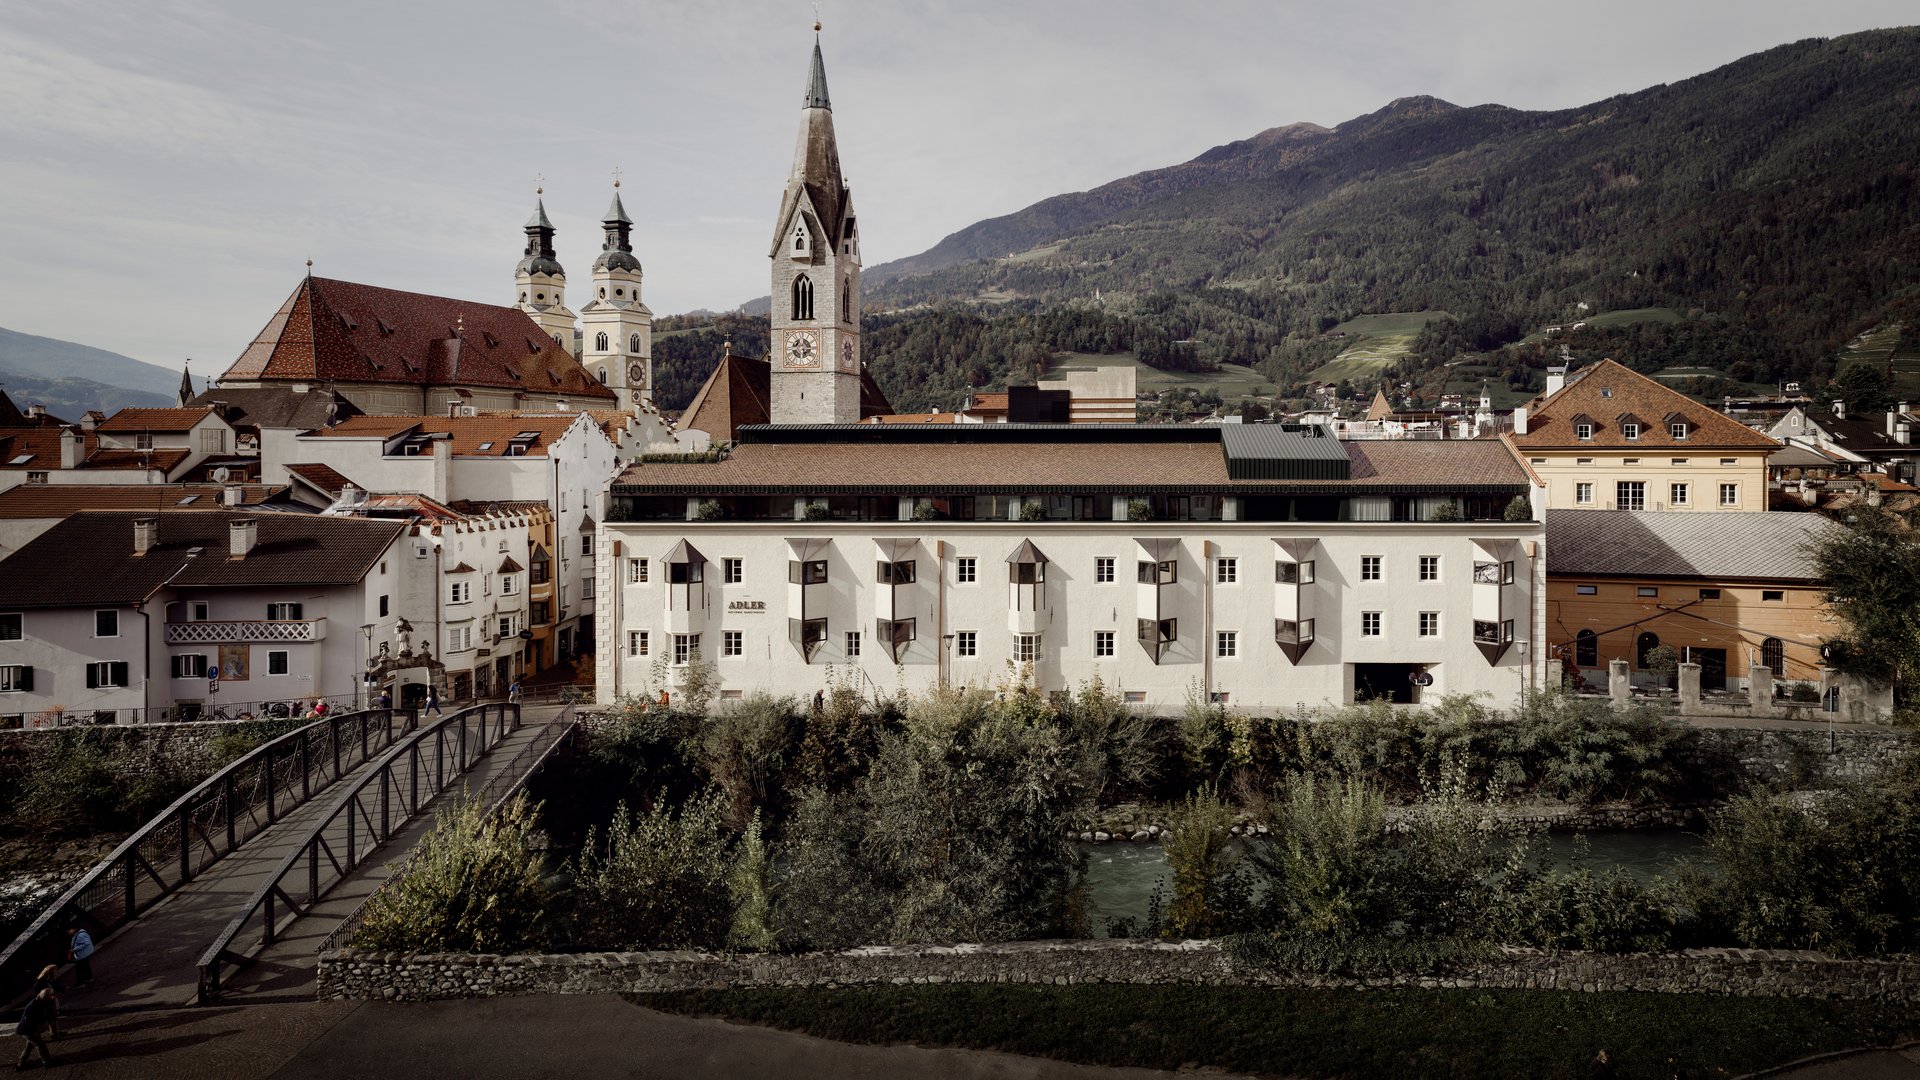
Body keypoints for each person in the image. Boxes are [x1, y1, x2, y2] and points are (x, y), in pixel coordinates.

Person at [14, 989, 56, 1069]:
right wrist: (34, 1031)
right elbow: (30, 1020)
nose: (51, 997)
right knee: (41, 1045)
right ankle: (47, 1062)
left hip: (28, 1030)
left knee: (29, 1046)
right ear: (45, 996)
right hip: (28, 1030)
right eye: (50, 996)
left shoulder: (39, 1002)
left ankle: (21, 1064)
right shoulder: (34, 1005)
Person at [28, 966, 58, 1037]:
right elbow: (39, 996)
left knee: (53, 1019)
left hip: (49, 1003)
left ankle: (54, 1033)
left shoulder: (46, 982)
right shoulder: (40, 984)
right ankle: (35, 1038)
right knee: (50, 1020)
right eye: (54, 973)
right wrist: (50, 998)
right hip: (46, 1006)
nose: (56, 974)